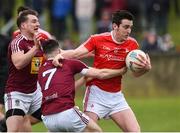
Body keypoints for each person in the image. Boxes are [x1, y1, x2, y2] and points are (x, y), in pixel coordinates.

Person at [53, 10, 152, 132]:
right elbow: (75, 53)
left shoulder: (132, 44)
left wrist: (145, 69)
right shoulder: (97, 39)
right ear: (115, 26)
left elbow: (135, 74)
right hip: (96, 94)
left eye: (130, 27)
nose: (129, 31)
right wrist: (58, 55)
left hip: (116, 97)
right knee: (88, 131)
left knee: (135, 131)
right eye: (126, 27)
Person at [38, 39, 127, 132]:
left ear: (44, 55)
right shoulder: (69, 63)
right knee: (96, 131)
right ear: (59, 51)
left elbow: (65, 89)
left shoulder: (41, 71)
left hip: (48, 119)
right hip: (66, 112)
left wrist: (84, 79)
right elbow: (101, 73)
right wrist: (120, 71)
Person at [4, 9, 44, 132]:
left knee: (58, 110)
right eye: (33, 22)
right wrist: (35, 49)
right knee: (14, 130)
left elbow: (58, 54)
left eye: (37, 21)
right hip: (17, 92)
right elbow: (18, 63)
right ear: (23, 25)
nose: (37, 24)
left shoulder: (41, 43)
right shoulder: (17, 42)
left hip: (35, 92)